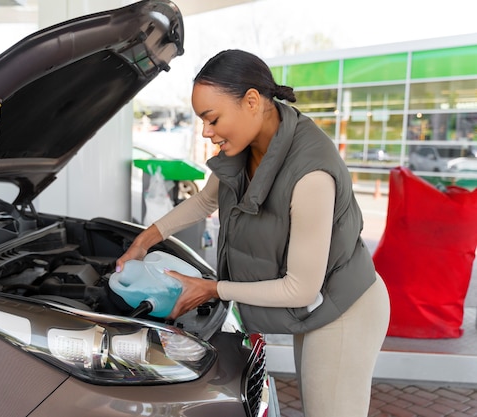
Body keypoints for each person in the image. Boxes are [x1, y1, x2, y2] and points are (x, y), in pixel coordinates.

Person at [116, 49, 390, 417]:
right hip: (316, 305)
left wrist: (212, 289)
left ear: (251, 102)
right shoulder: (245, 148)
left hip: (344, 308)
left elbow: (300, 287)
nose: (206, 132)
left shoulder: (310, 174)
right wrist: (141, 242)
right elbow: (203, 203)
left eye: (212, 118)